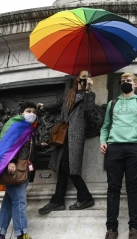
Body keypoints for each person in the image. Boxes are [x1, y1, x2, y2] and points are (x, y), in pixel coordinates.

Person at [99, 72, 137, 239]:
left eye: (128, 81)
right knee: (113, 189)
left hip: (135, 149)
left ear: (135, 84)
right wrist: (103, 141)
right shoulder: (112, 104)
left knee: (133, 188)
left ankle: (134, 230)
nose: (125, 83)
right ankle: (111, 229)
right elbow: (106, 126)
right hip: (114, 148)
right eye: (123, 81)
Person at [37, 70, 96, 214]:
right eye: (83, 77)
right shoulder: (69, 94)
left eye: (87, 78)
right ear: (77, 79)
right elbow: (57, 104)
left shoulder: (89, 95)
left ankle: (85, 196)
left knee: (68, 166)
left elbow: (89, 110)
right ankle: (57, 200)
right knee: (63, 168)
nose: (85, 79)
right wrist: (43, 106)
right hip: (63, 134)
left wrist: (88, 90)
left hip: (75, 135)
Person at [0, 102, 39, 239]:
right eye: (28, 111)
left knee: (9, 202)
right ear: (21, 113)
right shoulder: (15, 125)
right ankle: (22, 236)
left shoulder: (28, 129)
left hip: (23, 171)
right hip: (14, 169)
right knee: (20, 201)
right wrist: (11, 161)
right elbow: (7, 145)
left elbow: (24, 148)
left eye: (34, 112)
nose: (32, 114)